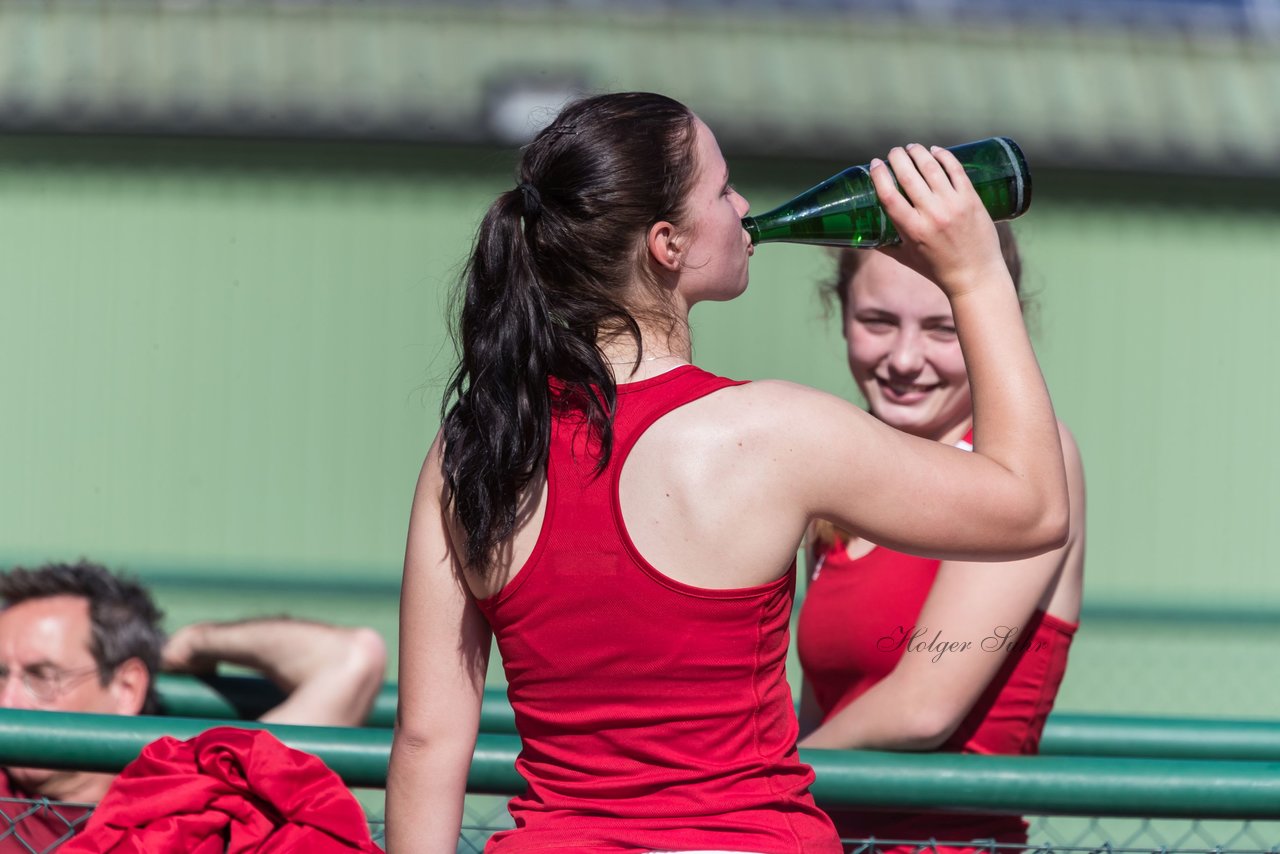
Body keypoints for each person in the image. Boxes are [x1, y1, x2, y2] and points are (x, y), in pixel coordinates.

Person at [388, 91, 1070, 854]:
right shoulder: (770, 431)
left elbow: (425, 742)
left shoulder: (473, 447)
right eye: (721, 188)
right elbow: (1034, 507)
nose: (743, 205)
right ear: (667, 244)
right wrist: (975, 276)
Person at [795, 227, 1086, 853]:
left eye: (942, 328)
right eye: (877, 320)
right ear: (840, 313)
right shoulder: (836, 481)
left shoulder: (1029, 469)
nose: (903, 359)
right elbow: (821, 715)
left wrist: (744, 786)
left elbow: (923, 709)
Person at [0, 559, 386, 848]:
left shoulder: (197, 789)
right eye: (1, 675)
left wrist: (196, 642)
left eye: (42, 677)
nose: (8, 700)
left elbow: (352, 658)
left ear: (126, 687)